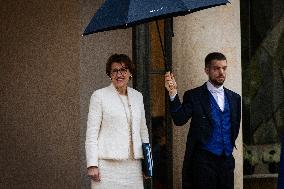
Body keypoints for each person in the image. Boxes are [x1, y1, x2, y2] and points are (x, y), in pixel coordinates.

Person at [165, 52, 241, 189]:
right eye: (216, 68)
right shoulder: (194, 96)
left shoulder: (235, 98)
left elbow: (234, 126)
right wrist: (173, 93)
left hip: (227, 160)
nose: (221, 72)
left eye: (224, 68)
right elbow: (179, 119)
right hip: (204, 161)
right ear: (207, 70)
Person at [85, 54, 150, 189]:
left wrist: (148, 164)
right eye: (115, 71)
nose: (119, 74)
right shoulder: (99, 96)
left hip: (134, 167)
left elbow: (143, 132)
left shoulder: (138, 96)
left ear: (130, 73)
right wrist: (92, 165)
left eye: (123, 70)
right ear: (110, 74)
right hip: (107, 167)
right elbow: (91, 133)